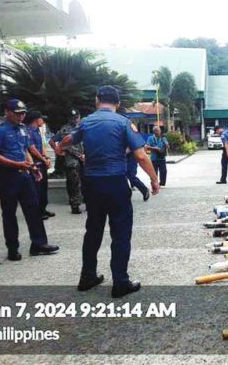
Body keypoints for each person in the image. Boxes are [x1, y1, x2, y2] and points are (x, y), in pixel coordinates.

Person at [56, 86, 160, 298]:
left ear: (97, 100)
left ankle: (87, 277)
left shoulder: (86, 122)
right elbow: (140, 155)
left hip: (92, 184)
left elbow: (68, 140)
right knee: (120, 232)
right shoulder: (123, 123)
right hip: (115, 183)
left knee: (93, 230)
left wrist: (59, 147)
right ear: (118, 103)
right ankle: (120, 282)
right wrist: (154, 178)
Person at [0, 99, 59, 261]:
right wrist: (16, 164)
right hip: (7, 175)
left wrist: (33, 168)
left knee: (34, 209)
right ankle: (13, 249)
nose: (21, 117)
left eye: (23, 113)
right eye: (18, 114)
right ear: (7, 112)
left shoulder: (22, 129)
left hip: (25, 174)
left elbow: (26, 149)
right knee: (9, 213)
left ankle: (39, 244)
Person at [51, 109, 85, 214]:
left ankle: (86, 201)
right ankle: (75, 205)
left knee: (85, 182)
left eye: (76, 118)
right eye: (73, 118)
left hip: (83, 160)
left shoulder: (82, 127)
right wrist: (59, 150)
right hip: (72, 161)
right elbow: (53, 141)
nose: (75, 120)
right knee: (73, 183)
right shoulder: (65, 129)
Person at [24, 111, 55, 220]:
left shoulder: (37, 130)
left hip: (41, 162)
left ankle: (43, 209)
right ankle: (37, 212)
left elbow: (42, 145)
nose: (43, 121)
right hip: (35, 163)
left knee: (43, 188)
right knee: (36, 189)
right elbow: (31, 148)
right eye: (42, 119)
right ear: (36, 120)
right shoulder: (28, 131)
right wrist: (42, 159)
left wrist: (46, 158)